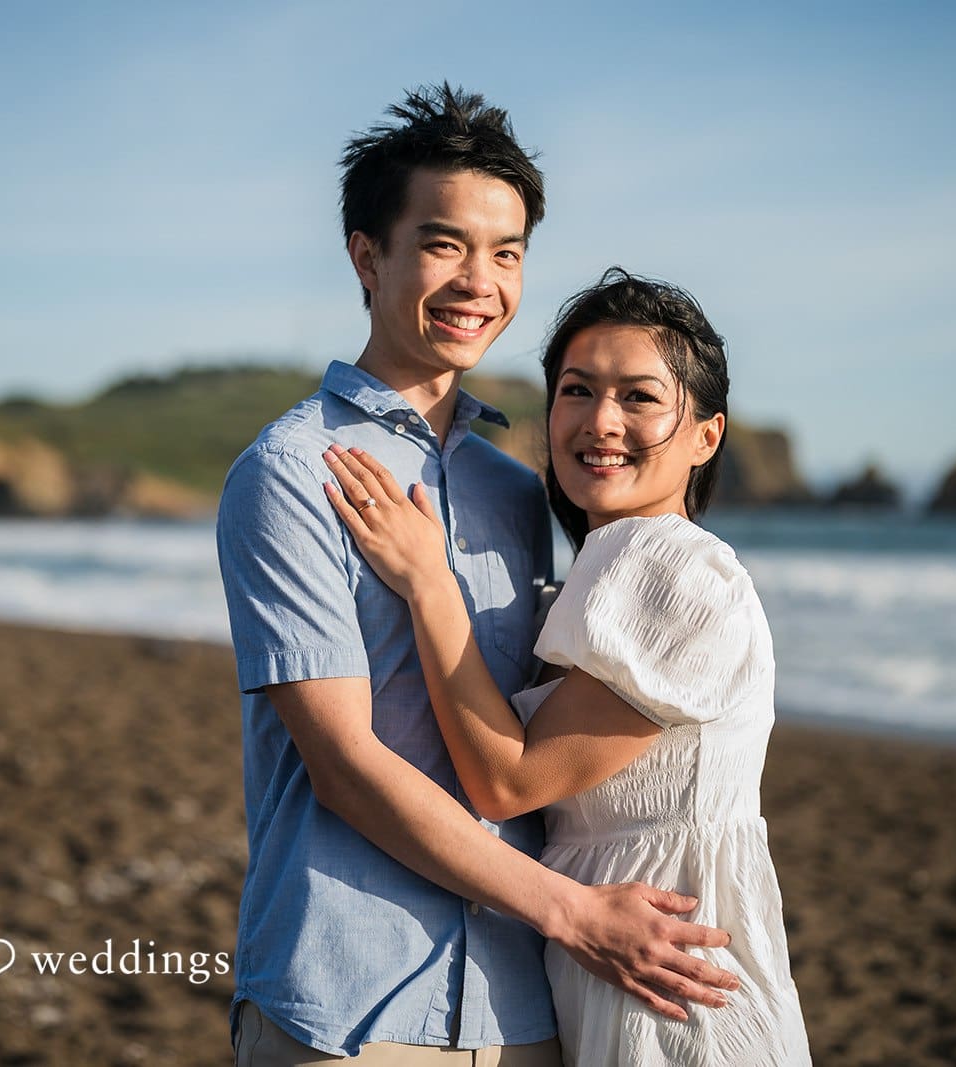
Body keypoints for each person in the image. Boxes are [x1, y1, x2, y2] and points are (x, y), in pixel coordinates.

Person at [217, 87, 739, 1066]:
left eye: (506, 253)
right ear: (367, 256)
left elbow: (528, 737)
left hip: (519, 1012)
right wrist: (575, 910)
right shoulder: (290, 471)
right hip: (346, 1006)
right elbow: (342, 764)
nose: (479, 281)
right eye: (445, 243)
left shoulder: (517, 490)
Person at [321, 269, 813, 1065]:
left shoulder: (673, 569)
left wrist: (429, 583)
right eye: (577, 390)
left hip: (674, 993)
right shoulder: (603, 565)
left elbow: (507, 780)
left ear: (706, 435)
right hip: (617, 968)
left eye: (641, 397)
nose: (600, 421)